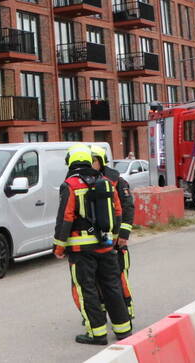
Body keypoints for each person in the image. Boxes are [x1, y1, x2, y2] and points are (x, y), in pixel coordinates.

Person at [53, 144, 132, 345]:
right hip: (106, 246)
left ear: (70, 161)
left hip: (81, 249)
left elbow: (66, 217)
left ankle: (97, 333)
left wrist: (59, 246)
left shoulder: (70, 184)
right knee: (112, 286)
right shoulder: (105, 181)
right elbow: (117, 211)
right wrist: (114, 237)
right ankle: (123, 329)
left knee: (87, 289)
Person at [91, 145, 135, 317]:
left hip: (116, 239)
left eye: (93, 161)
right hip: (97, 239)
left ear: (100, 162)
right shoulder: (88, 180)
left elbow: (128, 208)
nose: (91, 164)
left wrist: (123, 235)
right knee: (95, 277)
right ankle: (100, 309)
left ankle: (126, 309)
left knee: (119, 276)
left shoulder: (117, 181)